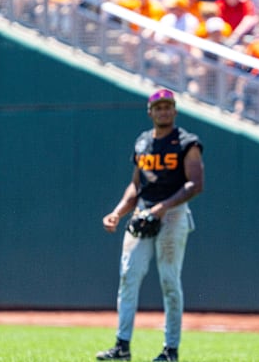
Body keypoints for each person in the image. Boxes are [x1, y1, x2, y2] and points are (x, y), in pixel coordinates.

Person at [96, 89, 204, 362]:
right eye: (159, 107)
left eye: (168, 106)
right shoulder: (143, 142)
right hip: (143, 213)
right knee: (128, 276)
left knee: (169, 280)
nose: (163, 111)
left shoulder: (186, 142)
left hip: (173, 214)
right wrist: (118, 212)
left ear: (175, 111)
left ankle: (171, 349)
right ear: (150, 112)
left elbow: (195, 184)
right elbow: (136, 185)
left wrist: (162, 208)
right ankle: (122, 346)